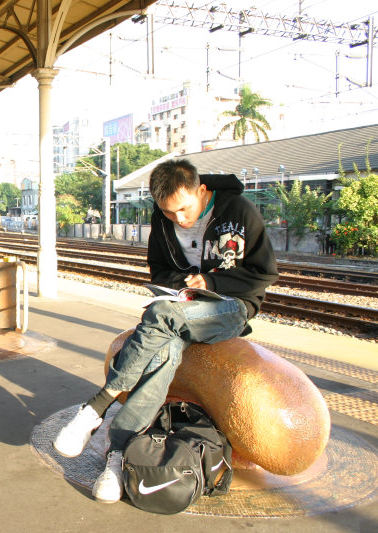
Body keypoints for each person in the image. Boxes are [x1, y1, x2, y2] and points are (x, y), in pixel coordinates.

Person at [52, 159, 279, 504]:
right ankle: (119, 457)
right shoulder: (162, 218)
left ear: (201, 191)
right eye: (170, 213)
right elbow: (158, 269)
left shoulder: (239, 211)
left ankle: (96, 408)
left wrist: (213, 281)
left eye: (184, 210)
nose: (180, 219)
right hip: (181, 308)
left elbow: (264, 273)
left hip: (231, 308)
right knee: (164, 352)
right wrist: (181, 286)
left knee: (160, 315)